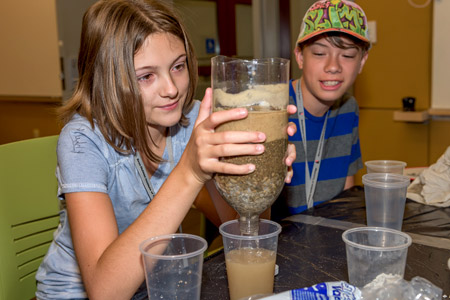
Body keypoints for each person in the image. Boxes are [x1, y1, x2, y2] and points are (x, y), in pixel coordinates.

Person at [35, 1, 297, 299]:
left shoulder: (194, 122)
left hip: (159, 284)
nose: (171, 88)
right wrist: (190, 171)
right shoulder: (82, 141)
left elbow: (238, 226)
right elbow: (105, 291)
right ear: (107, 79)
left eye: (178, 66)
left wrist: (258, 169)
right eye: (146, 76)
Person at [272, 0, 370, 221]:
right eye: (319, 53)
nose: (333, 66)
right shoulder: (273, 108)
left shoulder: (349, 109)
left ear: (362, 61)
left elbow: (346, 193)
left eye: (347, 56)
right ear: (299, 57)